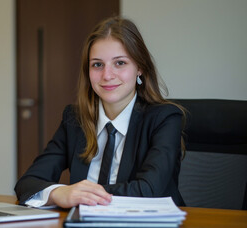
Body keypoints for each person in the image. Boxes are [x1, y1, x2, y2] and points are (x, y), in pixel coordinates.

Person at [14, 16, 186, 208]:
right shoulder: (75, 119)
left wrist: (81, 195)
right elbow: (27, 184)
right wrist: (59, 192)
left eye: (120, 63)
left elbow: (148, 191)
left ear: (140, 68)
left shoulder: (164, 118)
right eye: (97, 64)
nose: (107, 75)